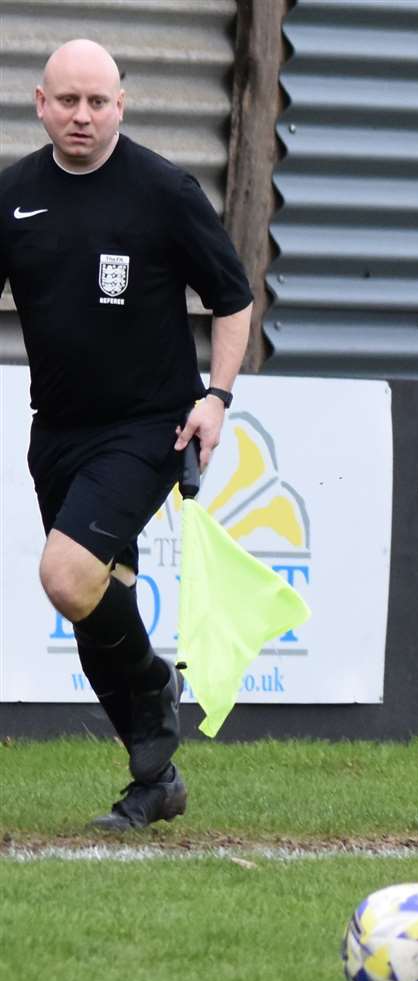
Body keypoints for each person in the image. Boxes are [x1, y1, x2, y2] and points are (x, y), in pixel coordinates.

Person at [0, 40, 253, 830]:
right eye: (68, 101)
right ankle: (155, 779)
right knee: (96, 599)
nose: (82, 116)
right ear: (39, 102)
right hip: (59, 432)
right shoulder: (12, 196)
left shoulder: (163, 190)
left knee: (67, 576)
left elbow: (233, 299)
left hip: (150, 424)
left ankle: (152, 691)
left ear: (122, 104)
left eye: (98, 102)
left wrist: (216, 396)